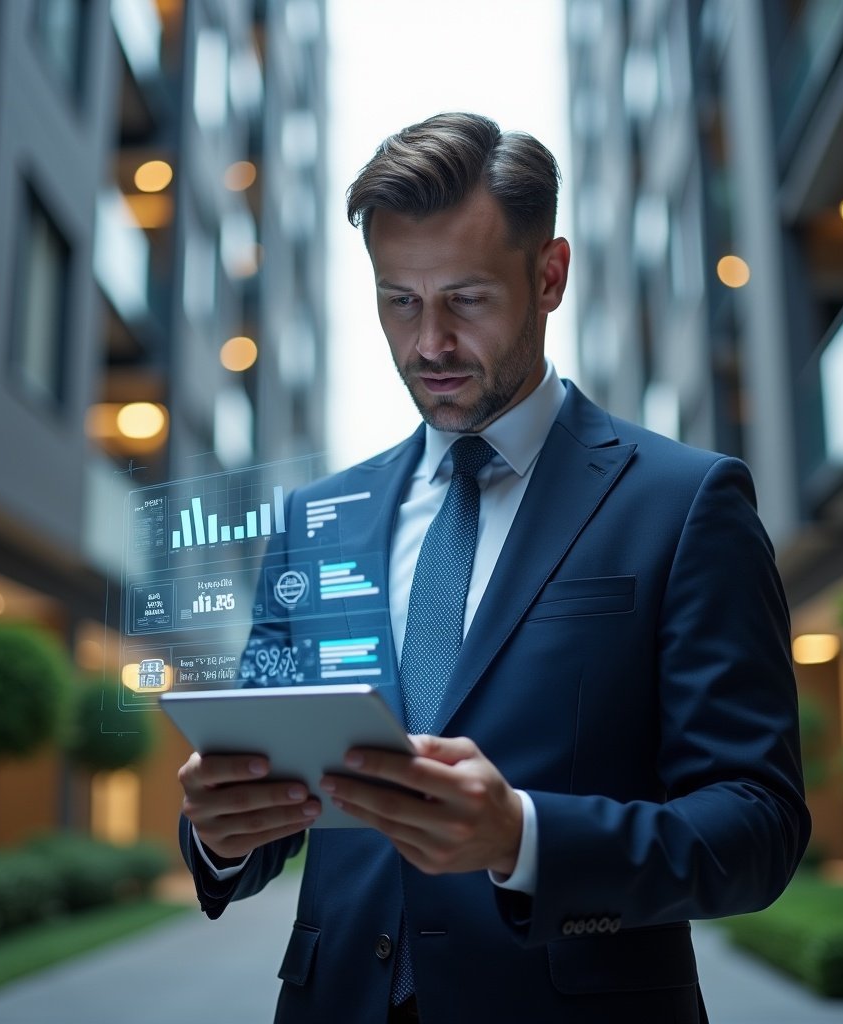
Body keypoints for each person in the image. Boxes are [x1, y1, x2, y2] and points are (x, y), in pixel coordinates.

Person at [177, 112, 810, 1024]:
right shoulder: (315, 523)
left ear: (548, 276)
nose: (427, 343)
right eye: (399, 300)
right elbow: (270, 783)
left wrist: (525, 837)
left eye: (465, 300)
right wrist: (222, 833)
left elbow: (758, 822)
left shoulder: (685, 502)